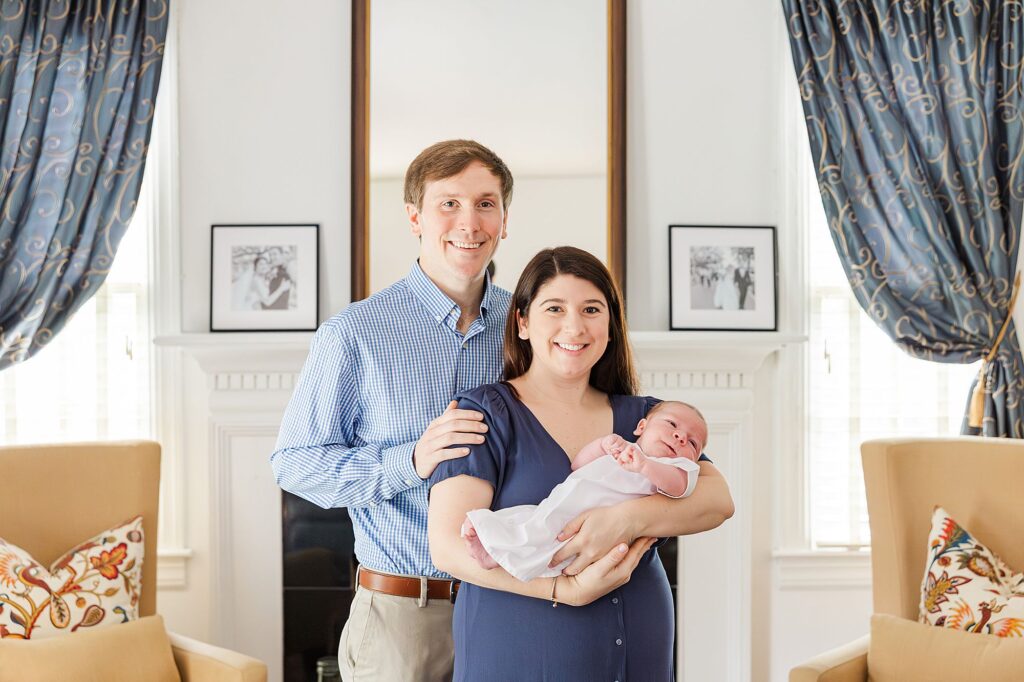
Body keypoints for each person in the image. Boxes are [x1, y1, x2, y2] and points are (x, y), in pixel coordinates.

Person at [271, 139, 518, 682]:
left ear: (504, 219)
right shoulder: (354, 333)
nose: (469, 222)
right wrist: (410, 460)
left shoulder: (529, 327)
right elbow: (292, 463)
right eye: (448, 203)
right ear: (415, 217)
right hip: (404, 619)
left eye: (485, 203)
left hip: (512, 607)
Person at [428, 246, 735, 681]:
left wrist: (626, 519)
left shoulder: (646, 419)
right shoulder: (485, 412)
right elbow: (447, 547)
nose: (574, 326)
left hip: (638, 652)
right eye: (554, 308)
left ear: (610, 325)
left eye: (592, 309)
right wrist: (562, 590)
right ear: (522, 321)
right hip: (513, 652)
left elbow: (718, 499)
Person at [462, 400, 707, 581]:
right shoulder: (625, 448)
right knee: (529, 517)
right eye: (672, 424)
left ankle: (494, 556)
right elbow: (578, 465)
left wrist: (645, 466)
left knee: (546, 536)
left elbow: (678, 487)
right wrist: (602, 446)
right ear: (641, 427)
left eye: (693, 443)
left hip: (589, 519)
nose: (680, 437)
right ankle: (489, 542)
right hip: (567, 498)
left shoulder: (676, 468)